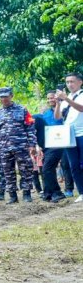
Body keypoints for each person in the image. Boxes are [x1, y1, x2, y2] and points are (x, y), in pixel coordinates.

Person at [0, 87, 39, 204]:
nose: (4, 99)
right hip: (4, 148)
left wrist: (32, 145)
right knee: (7, 172)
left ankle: (27, 194)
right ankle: (12, 196)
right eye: (1, 97)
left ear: (11, 96)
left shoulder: (22, 110)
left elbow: (30, 127)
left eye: (6, 96)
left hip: (22, 146)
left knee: (26, 170)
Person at [55, 72, 83, 203]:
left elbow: (81, 108)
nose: (69, 84)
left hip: (81, 133)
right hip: (69, 135)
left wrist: (66, 99)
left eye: (72, 81)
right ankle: (82, 192)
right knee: (73, 165)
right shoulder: (66, 98)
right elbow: (58, 117)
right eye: (67, 82)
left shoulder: (81, 95)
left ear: (80, 82)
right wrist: (58, 103)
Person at [42, 91, 71, 203]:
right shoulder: (46, 113)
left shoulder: (65, 108)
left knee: (63, 166)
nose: (50, 100)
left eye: (52, 98)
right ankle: (48, 192)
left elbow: (61, 120)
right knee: (48, 168)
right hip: (50, 144)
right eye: (48, 98)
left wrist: (59, 104)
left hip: (63, 141)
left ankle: (62, 191)